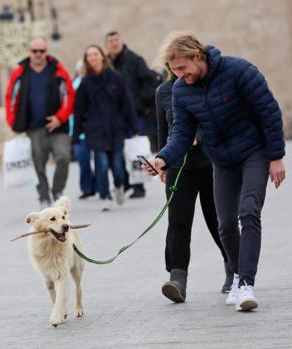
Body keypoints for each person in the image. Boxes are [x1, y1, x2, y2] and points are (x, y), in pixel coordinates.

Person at [145, 31, 286, 312]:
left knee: (248, 210)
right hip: (221, 159)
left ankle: (245, 283)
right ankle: (235, 276)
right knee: (224, 224)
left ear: (198, 56)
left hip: (253, 151)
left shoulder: (239, 71)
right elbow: (181, 135)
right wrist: (163, 159)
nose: (179, 75)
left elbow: (269, 111)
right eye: (174, 71)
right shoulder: (181, 90)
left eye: (182, 68)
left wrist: (277, 156)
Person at [156, 67, 231, 303]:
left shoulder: (208, 87)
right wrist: (163, 161)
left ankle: (234, 268)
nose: (178, 70)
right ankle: (177, 279)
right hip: (179, 166)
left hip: (211, 165)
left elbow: (217, 120)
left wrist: (198, 134)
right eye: (173, 65)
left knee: (218, 221)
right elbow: (164, 129)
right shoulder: (163, 91)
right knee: (178, 222)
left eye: (182, 64)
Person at [5, 37, 75, 208]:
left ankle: (57, 190)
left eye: (42, 51)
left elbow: (69, 94)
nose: (38, 54)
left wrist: (60, 117)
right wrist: (14, 123)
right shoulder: (20, 72)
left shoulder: (58, 69)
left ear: (46, 51)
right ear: (29, 52)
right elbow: (10, 98)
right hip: (33, 127)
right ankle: (43, 197)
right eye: (34, 51)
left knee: (64, 157)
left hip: (58, 126)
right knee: (38, 165)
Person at [73, 45, 138, 211]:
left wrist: (133, 126)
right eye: (89, 55)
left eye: (95, 54)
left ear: (102, 56)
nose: (93, 57)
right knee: (101, 166)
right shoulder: (85, 83)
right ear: (86, 60)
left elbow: (127, 103)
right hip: (95, 131)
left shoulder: (116, 77)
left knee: (117, 166)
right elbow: (79, 111)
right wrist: (76, 134)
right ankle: (105, 196)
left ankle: (119, 186)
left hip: (116, 129)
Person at [105, 31, 157, 198]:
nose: (114, 43)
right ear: (107, 44)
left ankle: (139, 186)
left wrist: (141, 104)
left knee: (137, 149)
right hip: (115, 116)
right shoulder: (107, 63)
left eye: (116, 40)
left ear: (121, 41)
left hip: (135, 114)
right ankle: (125, 183)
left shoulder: (135, 60)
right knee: (119, 149)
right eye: (111, 41)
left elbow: (150, 81)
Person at [71, 59, 97, 199]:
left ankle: (98, 186)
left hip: (93, 127)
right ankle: (87, 187)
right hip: (78, 128)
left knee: (99, 159)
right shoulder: (74, 85)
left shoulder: (94, 82)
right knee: (83, 158)